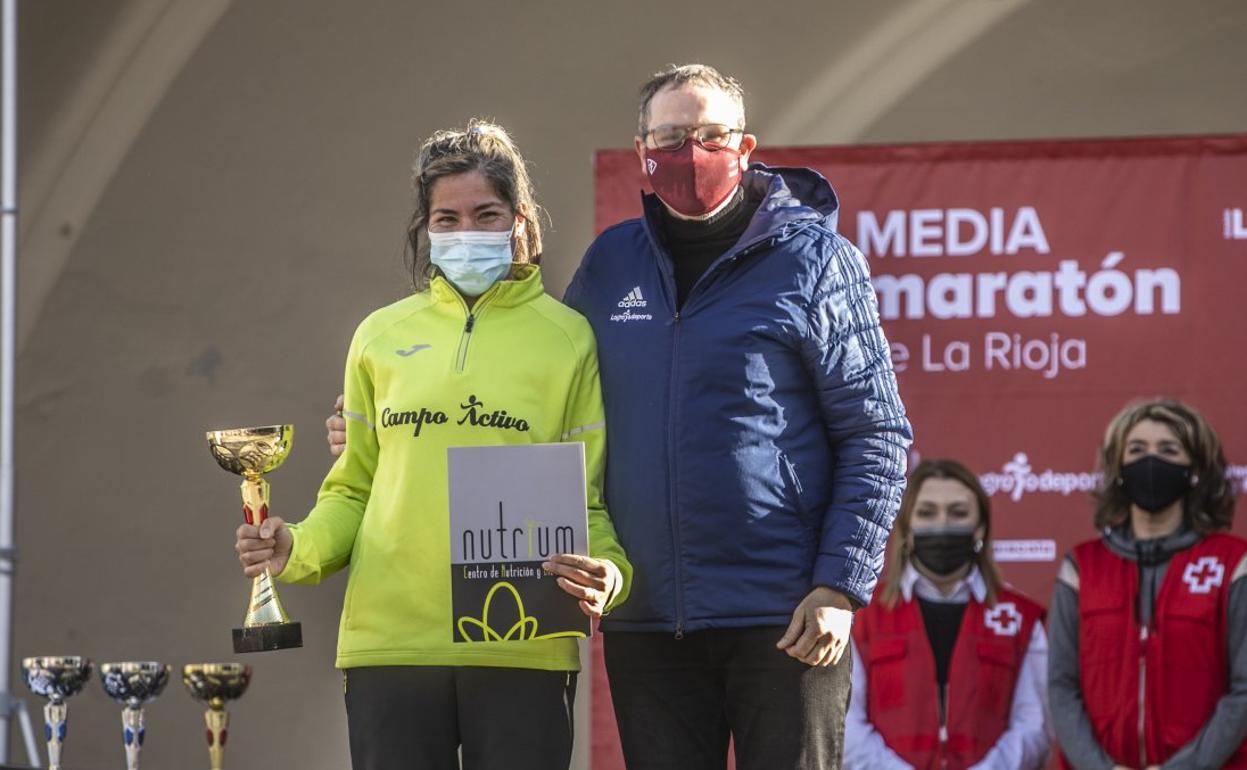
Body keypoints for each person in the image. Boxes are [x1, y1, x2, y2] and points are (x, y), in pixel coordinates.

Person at [333, 63, 911, 769]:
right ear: (641, 151)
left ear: (746, 146)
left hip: (783, 612)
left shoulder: (819, 262)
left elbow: (876, 436)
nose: (689, 153)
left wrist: (839, 586)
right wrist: (384, 421)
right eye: (669, 137)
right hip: (646, 620)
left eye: (709, 134)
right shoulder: (612, 262)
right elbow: (537, 385)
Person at [237, 120, 633, 770]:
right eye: (446, 219)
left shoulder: (568, 340)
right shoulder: (378, 336)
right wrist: (295, 546)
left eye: (486, 214)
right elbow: (355, 489)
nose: (465, 233)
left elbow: (586, 499)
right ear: (423, 226)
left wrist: (610, 575)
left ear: (519, 218)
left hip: (522, 649)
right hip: (389, 648)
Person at [1049, 398, 1247, 770]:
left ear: (1194, 469)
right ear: (1119, 468)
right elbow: (1061, 687)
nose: (1150, 461)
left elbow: (1244, 691)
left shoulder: (1234, 562)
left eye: (1168, 450)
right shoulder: (1082, 565)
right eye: (1137, 450)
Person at [845, 459, 1049, 770]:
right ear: (907, 528)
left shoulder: (1020, 619)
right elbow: (847, 725)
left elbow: (1034, 726)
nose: (942, 524)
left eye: (958, 513)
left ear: (980, 526)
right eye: (927, 513)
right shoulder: (862, 618)